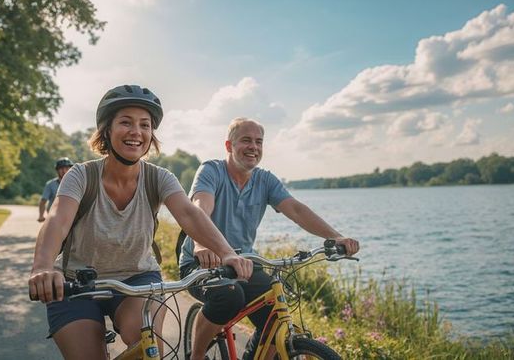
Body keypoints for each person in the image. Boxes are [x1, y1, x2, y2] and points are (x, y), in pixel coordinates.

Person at [28, 85, 253, 360]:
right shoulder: (81, 175)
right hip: (76, 284)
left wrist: (226, 252)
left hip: (137, 279)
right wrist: (41, 267)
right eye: (126, 122)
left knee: (148, 350)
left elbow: (189, 214)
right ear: (107, 131)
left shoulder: (159, 178)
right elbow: (58, 219)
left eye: (145, 125)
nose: (137, 131)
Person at [179, 117, 360, 360]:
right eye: (246, 140)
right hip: (201, 263)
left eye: (259, 141)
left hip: (243, 263)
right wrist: (202, 244)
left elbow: (296, 210)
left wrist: (336, 237)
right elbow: (201, 207)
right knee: (229, 296)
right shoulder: (212, 171)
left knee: (275, 313)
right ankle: (197, 356)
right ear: (228, 145)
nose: (254, 147)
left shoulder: (265, 180)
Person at [38, 157, 74, 222]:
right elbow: (43, 201)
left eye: (66, 168)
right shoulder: (50, 184)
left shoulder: (75, 184)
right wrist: (41, 215)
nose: (64, 171)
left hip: (71, 217)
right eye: (61, 168)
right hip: (54, 217)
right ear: (57, 170)